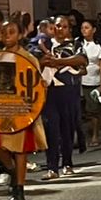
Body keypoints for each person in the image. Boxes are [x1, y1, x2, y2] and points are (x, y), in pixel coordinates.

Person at [0, 21, 46, 200]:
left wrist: (32, 108)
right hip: (1, 109)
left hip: (21, 110)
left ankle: (18, 189)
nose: (7, 35)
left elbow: (37, 85)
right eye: (4, 31)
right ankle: (12, 171)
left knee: (20, 150)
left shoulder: (29, 58)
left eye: (11, 32)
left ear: (20, 35)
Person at [39, 16, 85, 180]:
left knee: (67, 128)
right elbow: (35, 61)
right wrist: (45, 61)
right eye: (58, 26)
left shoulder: (75, 44)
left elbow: (82, 59)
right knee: (50, 128)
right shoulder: (44, 44)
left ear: (69, 29)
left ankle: (67, 163)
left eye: (64, 27)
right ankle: (52, 167)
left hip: (68, 91)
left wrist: (59, 61)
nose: (61, 29)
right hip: (49, 91)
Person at [78, 19, 101, 146]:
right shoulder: (78, 44)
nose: (84, 30)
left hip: (93, 81)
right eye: (82, 28)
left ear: (94, 30)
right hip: (79, 81)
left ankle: (95, 135)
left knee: (94, 110)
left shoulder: (99, 46)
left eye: (87, 28)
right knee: (81, 111)